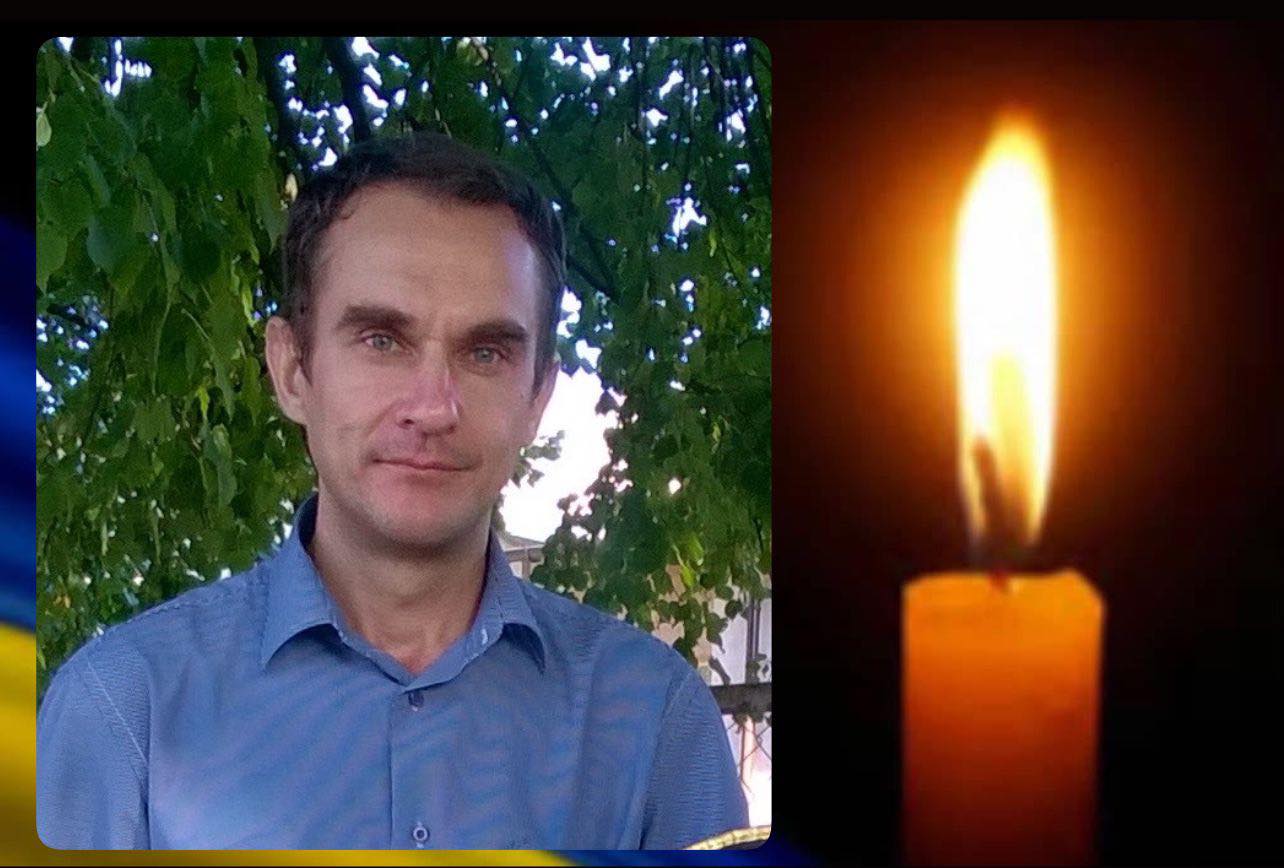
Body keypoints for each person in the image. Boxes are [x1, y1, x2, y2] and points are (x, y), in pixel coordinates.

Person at [36, 133, 748, 850]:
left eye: (486, 352)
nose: (433, 407)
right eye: (382, 339)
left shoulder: (653, 724)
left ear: (537, 396)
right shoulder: (125, 713)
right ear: (291, 370)